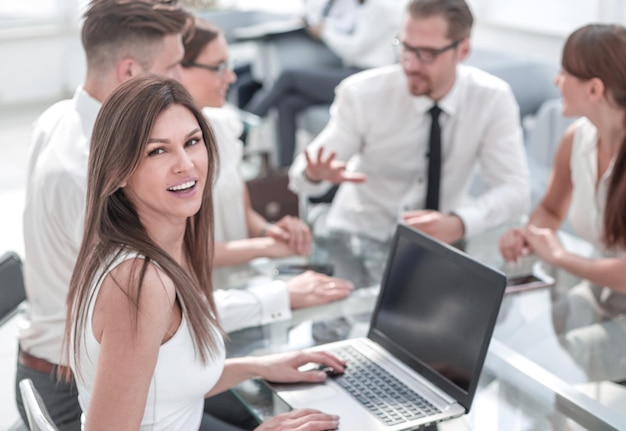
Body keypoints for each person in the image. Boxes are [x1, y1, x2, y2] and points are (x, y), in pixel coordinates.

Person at [65, 74, 345, 431]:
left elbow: (166, 383)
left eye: (192, 141)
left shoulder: (152, 245)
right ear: (118, 171)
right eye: (158, 150)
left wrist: (260, 366)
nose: (186, 164)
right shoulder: (140, 283)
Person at [16, 1, 192, 428]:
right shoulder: (99, 174)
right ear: (130, 72)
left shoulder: (58, 116)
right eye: (174, 66)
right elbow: (146, 302)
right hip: (77, 387)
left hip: (51, 361)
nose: (182, 81)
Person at [289, 0, 529, 252]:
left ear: (463, 50)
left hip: (440, 243)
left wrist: (460, 222)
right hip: (358, 239)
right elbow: (301, 176)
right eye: (405, 47)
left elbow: (514, 190)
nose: (411, 64)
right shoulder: (362, 93)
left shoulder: (491, 98)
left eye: (427, 53)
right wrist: (314, 175)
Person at [180, 18, 354, 333]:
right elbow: (183, 254)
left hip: (242, 293)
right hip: (199, 310)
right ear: (177, 67)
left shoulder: (224, 126)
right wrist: (267, 249)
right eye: (218, 67)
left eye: (229, 65)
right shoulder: (164, 157)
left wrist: (272, 232)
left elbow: (242, 211)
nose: (231, 77)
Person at [499, 23, 626, 382]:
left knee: (548, 365)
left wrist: (559, 257)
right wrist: (530, 234)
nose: (556, 81)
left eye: (564, 72)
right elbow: (551, 211)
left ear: (594, 88)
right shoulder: (577, 139)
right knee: (514, 343)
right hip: (603, 294)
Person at [245, 0, 406, 167]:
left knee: (289, 76)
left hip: (364, 76)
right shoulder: (364, 8)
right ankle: (284, 169)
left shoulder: (379, 8)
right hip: (352, 71)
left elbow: (353, 48)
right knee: (288, 103)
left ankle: (245, 124)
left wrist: (324, 32)